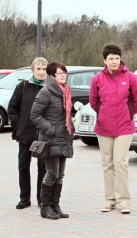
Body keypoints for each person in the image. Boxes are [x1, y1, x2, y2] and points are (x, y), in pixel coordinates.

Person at [89, 43, 137, 214]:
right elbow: (93, 102)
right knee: (108, 164)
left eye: (117, 58)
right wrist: (104, 114)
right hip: (103, 127)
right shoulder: (97, 79)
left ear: (121, 59)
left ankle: (124, 201)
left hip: (125, 127)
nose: (114, 61)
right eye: (110, 58)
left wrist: (127, 114)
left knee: (120, 162)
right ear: (104, 60)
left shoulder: (130, 77)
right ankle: (109, 199)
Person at [31, 61, 75, 219]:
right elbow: (35, 115)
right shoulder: (46, 92)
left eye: (64, 72)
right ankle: (45, 207)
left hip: (63, 138)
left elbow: (66, 115)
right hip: (50, 138)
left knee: (60, 174)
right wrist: (49, 129)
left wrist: (71, 128)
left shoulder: (65, 91)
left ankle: (55, 205)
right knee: (52, 173)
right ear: (51, 76)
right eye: (60, 73)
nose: (63, 75)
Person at [8, 57, 48, 209]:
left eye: (44, 69)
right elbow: (12, 108)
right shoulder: (22, 86)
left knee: (42, 168)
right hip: (25, 134)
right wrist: (18, 125)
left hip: (42, 136)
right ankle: (24, 198)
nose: (41, 72)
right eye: (38, 69)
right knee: (23, 166)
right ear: (32, 70)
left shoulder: (50, 88)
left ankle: (41, 199)